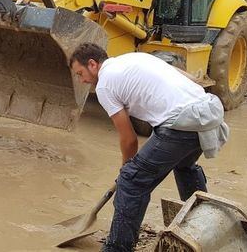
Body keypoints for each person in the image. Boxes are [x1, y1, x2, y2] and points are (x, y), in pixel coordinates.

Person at [68, 43, 229, 252]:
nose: (82, 80)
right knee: (183, 165)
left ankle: (117, 248)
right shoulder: (134, 58)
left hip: (182, 123)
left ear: (92, 64)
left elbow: (129, 139)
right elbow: (185, 76)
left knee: (131, 182)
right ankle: (204, 225)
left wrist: (126, 173)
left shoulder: (105, 85)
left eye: (81, 74)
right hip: (206, 114)